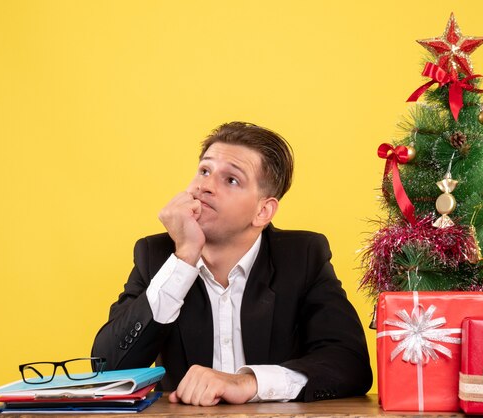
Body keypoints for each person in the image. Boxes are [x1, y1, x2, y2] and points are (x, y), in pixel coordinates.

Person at [91, 121, 372, 406]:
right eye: (204, 170)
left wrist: (249, 383)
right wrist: (185, 256)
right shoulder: (157, 254)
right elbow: (108, 370)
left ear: (263, 211)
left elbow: (349, 363)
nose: (205, 186)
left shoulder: (303, 256)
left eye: (231, 180)